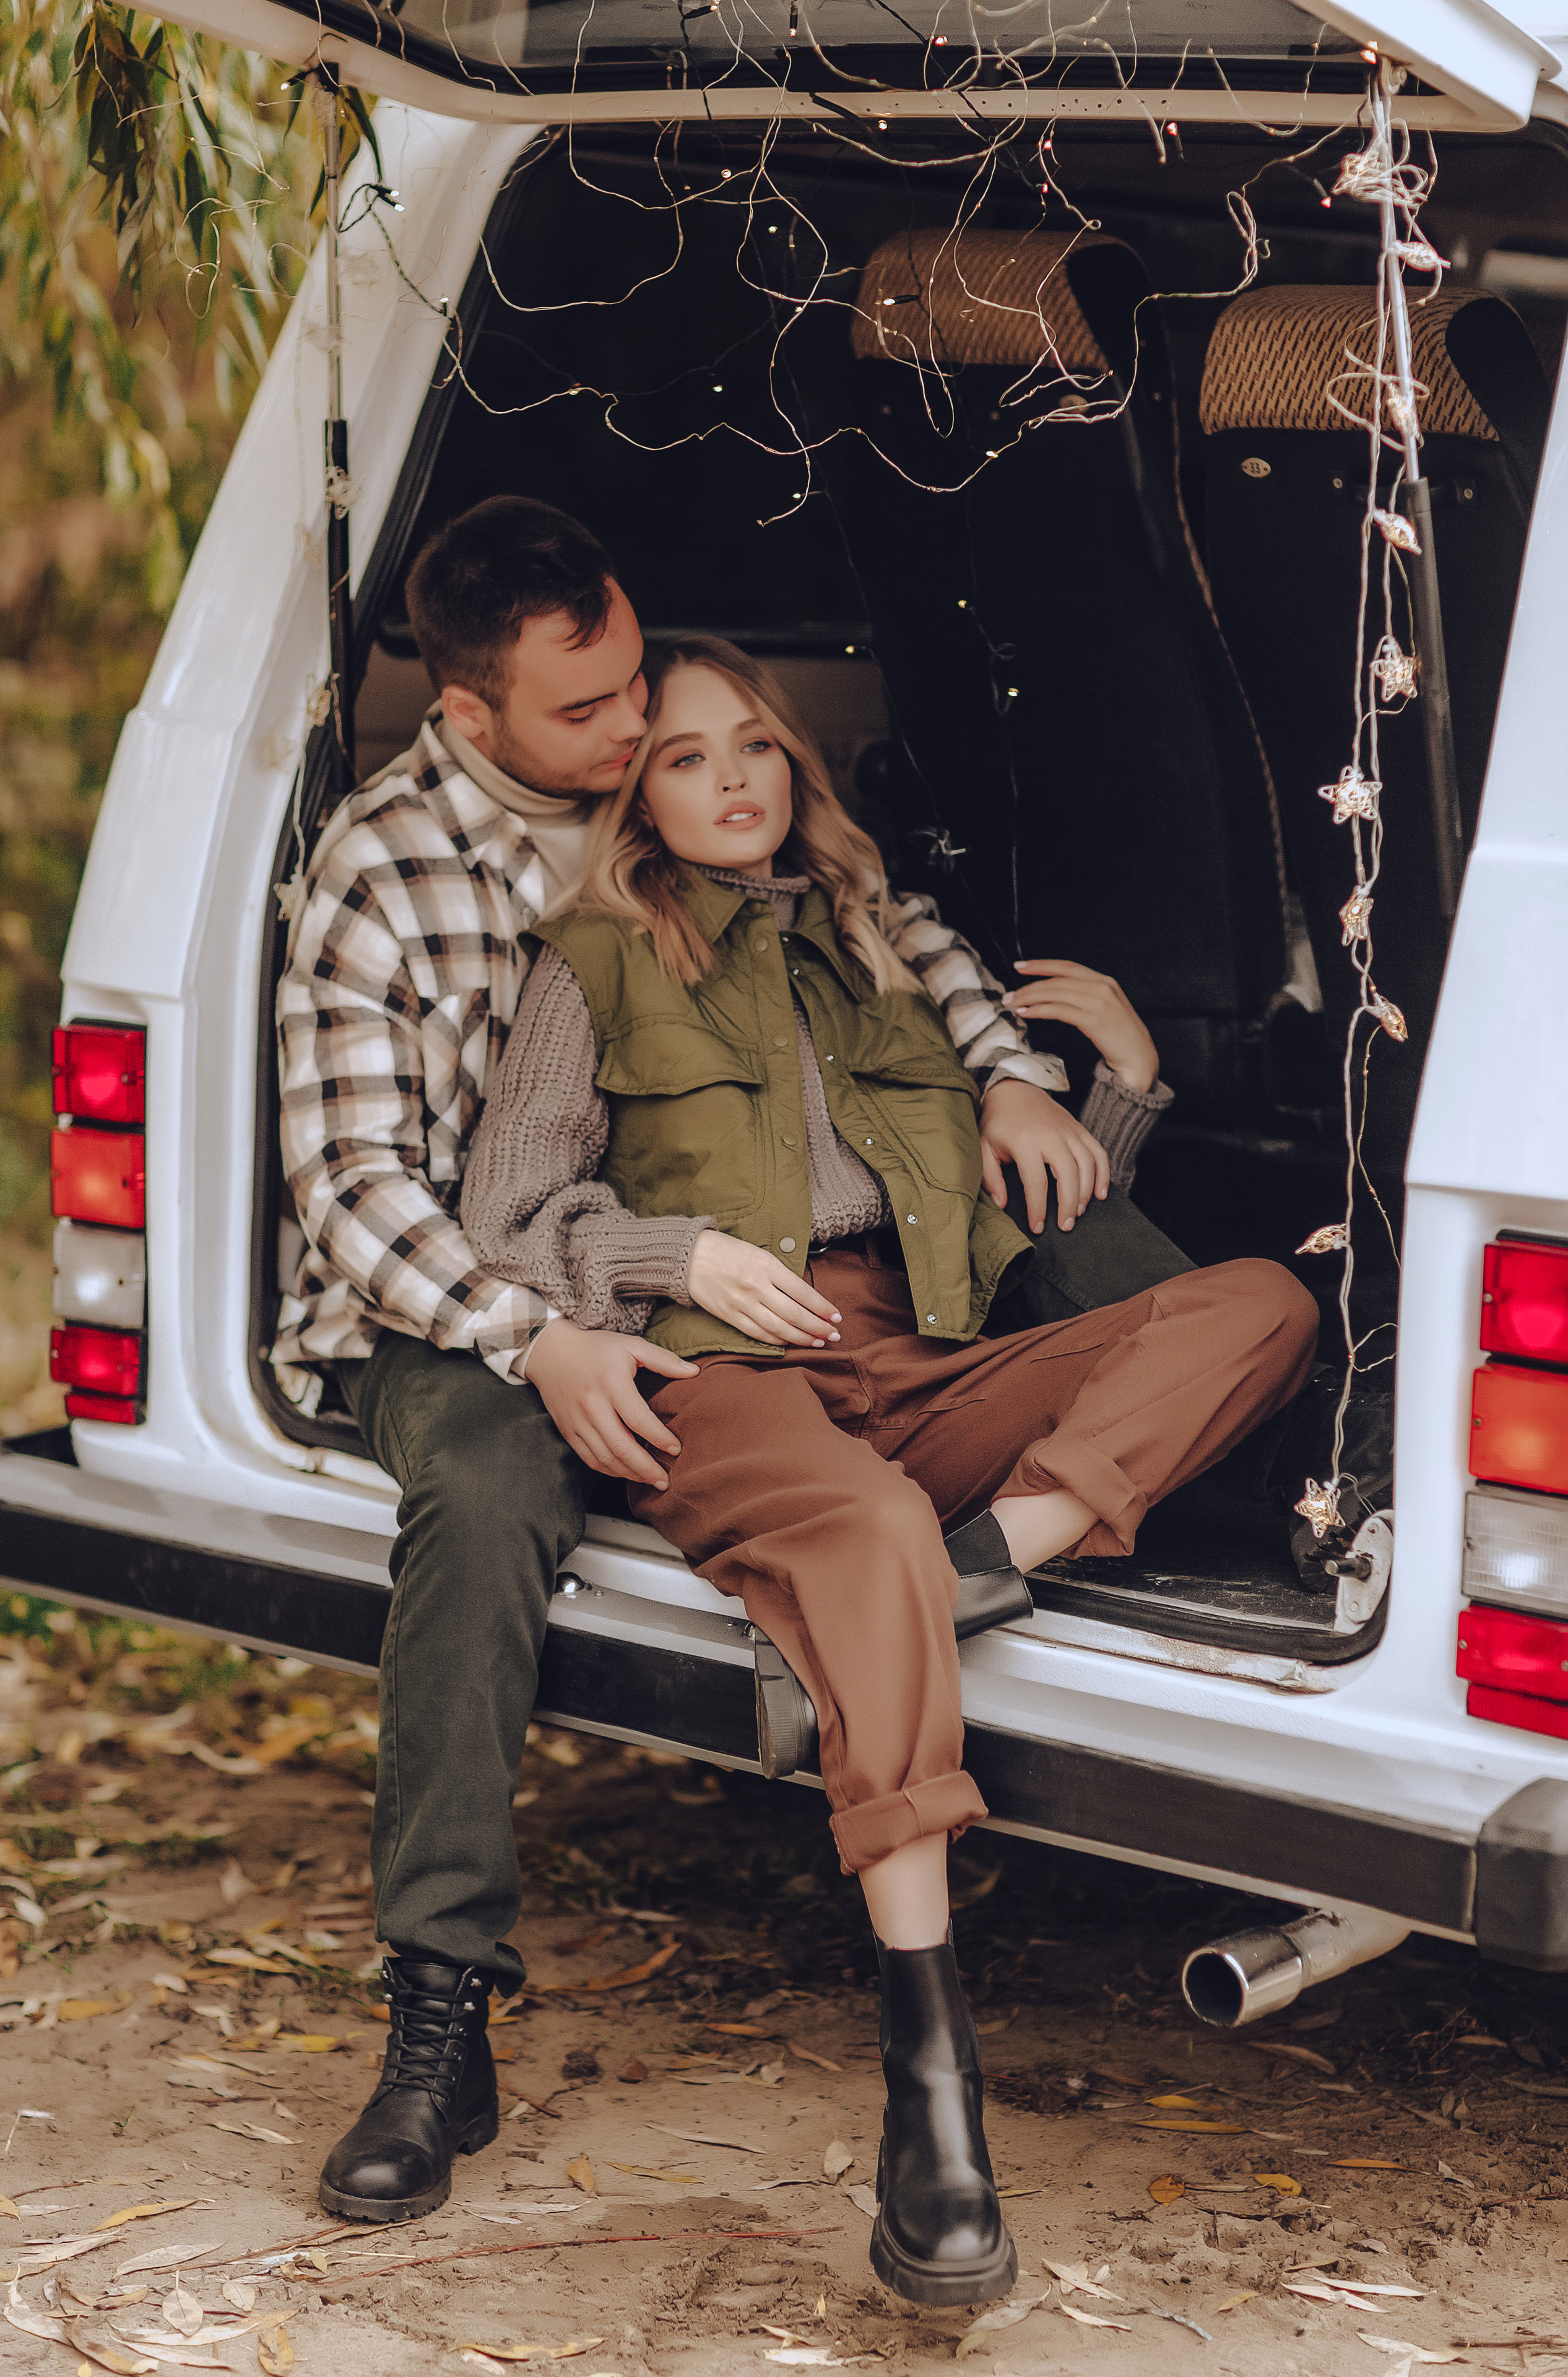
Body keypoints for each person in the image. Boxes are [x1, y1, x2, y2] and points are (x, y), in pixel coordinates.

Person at [275, 497, 1192, 2227]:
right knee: (480, 1496)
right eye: (591, 714)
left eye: (642, 690)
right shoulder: (382, 875)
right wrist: (541, 1332)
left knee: (1175, 1318)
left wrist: (1020, 1072)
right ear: (468, 718)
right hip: (457, 1308)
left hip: (690, 1299)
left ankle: (915, 1578)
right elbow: (353, 1196)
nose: (632, 733)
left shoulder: (680, 813)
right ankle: (434, 2017)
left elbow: (888, 964)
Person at [459, 636, 1320, 2305]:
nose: (738, 778)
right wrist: (674, 1255)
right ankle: (934, 2089)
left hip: (924, 1353)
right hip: (726, 1371)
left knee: (1267, 1304)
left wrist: (1117, 1093)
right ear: (637, 788)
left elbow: (1035, 1217)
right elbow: (508, 1216)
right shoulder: (591, 961)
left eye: (761, 747)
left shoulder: (879, 945)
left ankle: (969, 1569)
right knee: (858, 1520)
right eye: (693, 754)